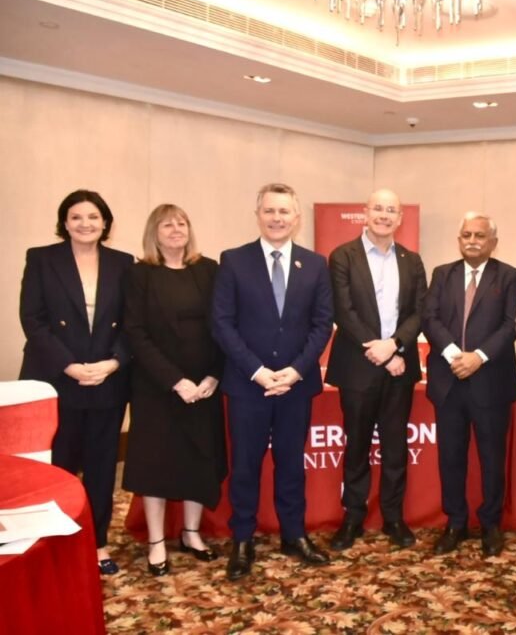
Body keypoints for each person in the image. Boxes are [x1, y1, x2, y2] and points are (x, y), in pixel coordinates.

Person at [211, 183, 333, 581]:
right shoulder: (233, 261)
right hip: (248, 385)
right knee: (245, 466)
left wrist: (295, 371)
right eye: (269, 211)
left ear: (296, 218)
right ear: (258, 215)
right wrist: (258, 371)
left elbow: (322, 324)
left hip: (296, 386)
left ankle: (293, 534)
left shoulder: (315, 264)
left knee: (291, 464)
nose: (276, 218)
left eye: (284, 211)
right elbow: (222, 324)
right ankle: (242, 540)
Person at [19, 189, 134, 575]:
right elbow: (33, 320)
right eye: (76, 217)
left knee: (102, 467)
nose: (86, 224)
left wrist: (113, 363)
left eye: (93, 217)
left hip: (107, 379)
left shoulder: (123, 263)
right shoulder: (41, 259)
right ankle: (55, 544)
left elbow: (133, 322)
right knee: (59, 465)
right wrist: (69, 365)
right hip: (57, 378)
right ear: (64, 223)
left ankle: (98, 543)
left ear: (105, 223)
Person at [122, 204, 226, 576]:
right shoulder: (139, 274)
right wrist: (175, 381)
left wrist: (213, 376)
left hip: (203, 387)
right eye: (167, 225)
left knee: (200, 459)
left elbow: (223, 325)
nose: (176, 229)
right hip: (157, 387)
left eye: (182, 223)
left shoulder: (209, 269)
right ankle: (156, 541)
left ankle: (191, 533)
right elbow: (135, 332)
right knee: (157, 464)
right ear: (154, 232)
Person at [326, 188, 427, 550]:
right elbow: (343, 311)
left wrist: (396, 344)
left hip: (400, 367)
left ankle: (393, 518)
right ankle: (353, 518)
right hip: (359, 366)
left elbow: (420, 311)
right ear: (365, 213)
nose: (384, 215)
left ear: (400, 218)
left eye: (391, 210)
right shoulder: (342, 256)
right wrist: (383, 353)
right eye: (378, 208)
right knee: (356, 446)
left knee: (396, 447)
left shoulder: (412, 260)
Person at [422, 212, 516, 557]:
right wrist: (455, 355)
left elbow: (511, 325)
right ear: (459, 239)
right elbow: (429, 318)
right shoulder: (442, 274)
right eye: (466, 235)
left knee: (492, 457)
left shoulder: (508, 276)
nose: (472, 241)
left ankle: (491, 524)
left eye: (480, 235)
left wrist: (478, 357)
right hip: (449, 380)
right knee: (450, 456)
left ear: (493, 242)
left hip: (490, 382)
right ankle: (455, 522)